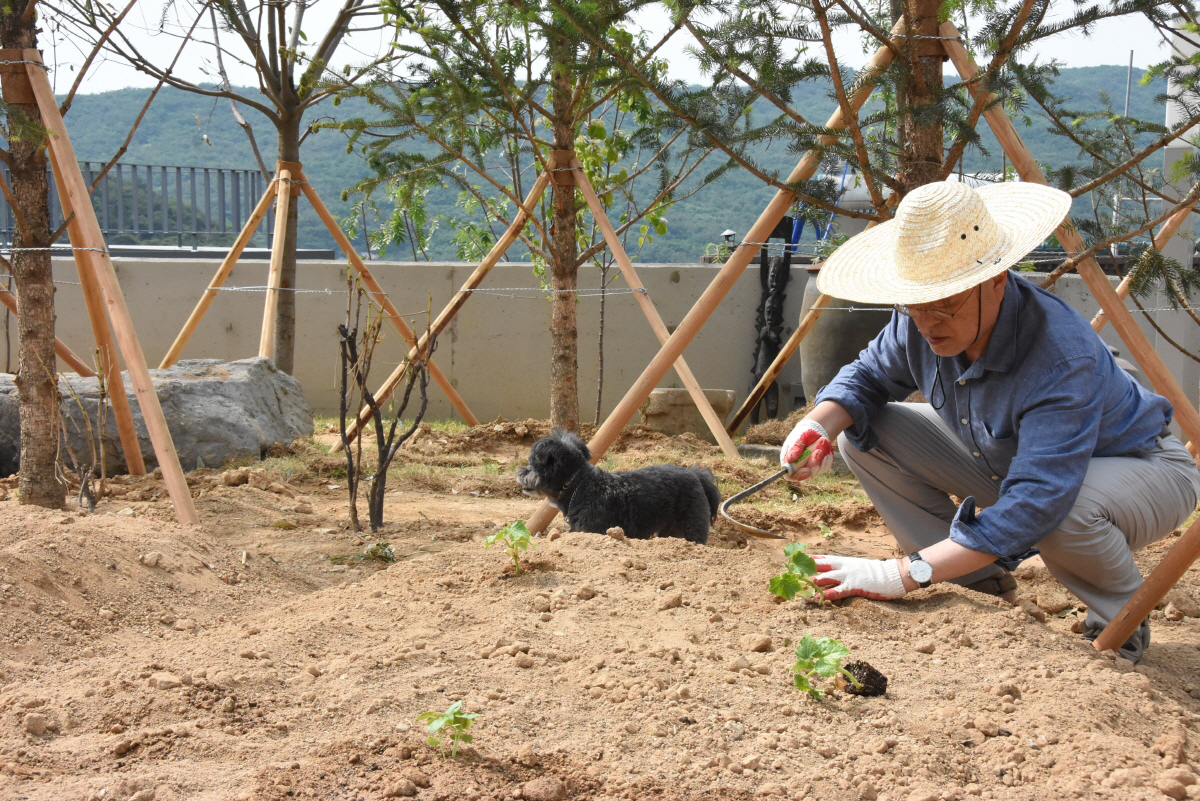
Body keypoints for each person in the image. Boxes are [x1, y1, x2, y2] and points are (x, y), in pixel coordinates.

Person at [780, 180, 1200, 663]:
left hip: (1141, 468)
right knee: (865, 434)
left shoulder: (1060, 358)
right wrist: (817, 425)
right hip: (1016, 465)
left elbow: (1037, 500)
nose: (927, 322)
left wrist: (900, 574)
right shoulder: (920, 318)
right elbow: (869, 376)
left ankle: (1118, 630)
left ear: (996, 280)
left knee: (1064, 513)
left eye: (944, 304)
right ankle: (977, 584)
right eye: (915, 304)